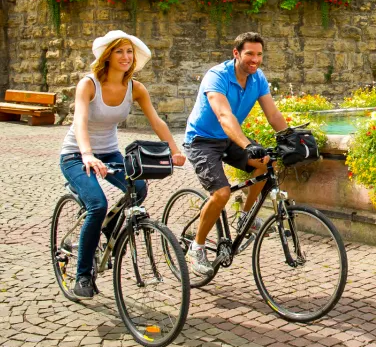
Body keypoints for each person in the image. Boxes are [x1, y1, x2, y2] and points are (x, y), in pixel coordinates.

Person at [59, 31, 186, 299]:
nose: (126, 57)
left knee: (138, 189)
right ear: (107, 56)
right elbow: (79, 121)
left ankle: (107, 228)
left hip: (109, 153)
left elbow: (156, 121)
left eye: (129, 52)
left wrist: (175, 150)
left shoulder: (135, 88)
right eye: (119, 51)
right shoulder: (89, 84)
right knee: (97, 204)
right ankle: (83, 275)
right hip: (76, 155)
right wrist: (87, 154)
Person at [183, 32, 289, 277]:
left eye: (259, 54)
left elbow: (273, 114)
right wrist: (246, 144)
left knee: (265, 164)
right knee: (221, 193)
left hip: (228, 138)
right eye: (250, 53)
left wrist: (289, 137)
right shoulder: (217, 76)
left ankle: (245, 216)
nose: (255, 59)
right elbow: (224, 116)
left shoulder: (257, 78)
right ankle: (196, 248)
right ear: (236, 53)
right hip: (202, 140)